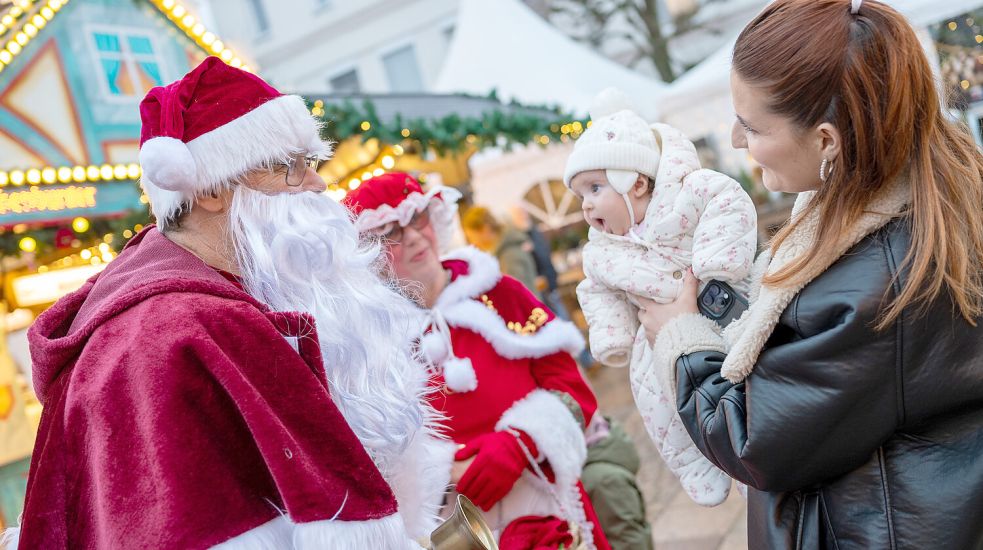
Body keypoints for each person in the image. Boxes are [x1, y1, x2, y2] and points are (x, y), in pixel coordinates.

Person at [3, 57, 447, 549]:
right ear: (213, 190)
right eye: (292, 168)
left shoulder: (206, 305)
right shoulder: (177, 328)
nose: (318, 185)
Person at [636, 0, 983, 548]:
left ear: (826, 140)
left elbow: (752, 437)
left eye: (751, 125)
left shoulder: (876, 285)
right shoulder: (937, 199)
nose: (735, 140)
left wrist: (679, 337)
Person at [344, 173, 611, 550]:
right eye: (391, 231)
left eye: (416, 219)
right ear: (368, 250)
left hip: (550, 507)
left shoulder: (500, 294)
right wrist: (444, 470)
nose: (414, 237)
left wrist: (520, 442)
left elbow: (574, 392)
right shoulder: (369, 342)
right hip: (459, 531)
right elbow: (371, 450)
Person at [565, 88, 757, 506]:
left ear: (634, 182)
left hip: (726, 311)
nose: (585, 205)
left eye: (595, 188)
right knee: (660, 402)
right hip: (656, 343)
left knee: (748, 384)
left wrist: (716, 263)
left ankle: (750, 462)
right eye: (580, 195)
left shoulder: (688, 193)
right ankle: (698, 468)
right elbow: (595, 290)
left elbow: (728, 199)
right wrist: (613, 333)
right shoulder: (600, 250)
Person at [462, 205, 540, 294]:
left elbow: (519, 297)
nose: (473, 242)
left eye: (472, 237)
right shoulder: (506, 251)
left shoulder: (508, 256)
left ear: (485, 229)